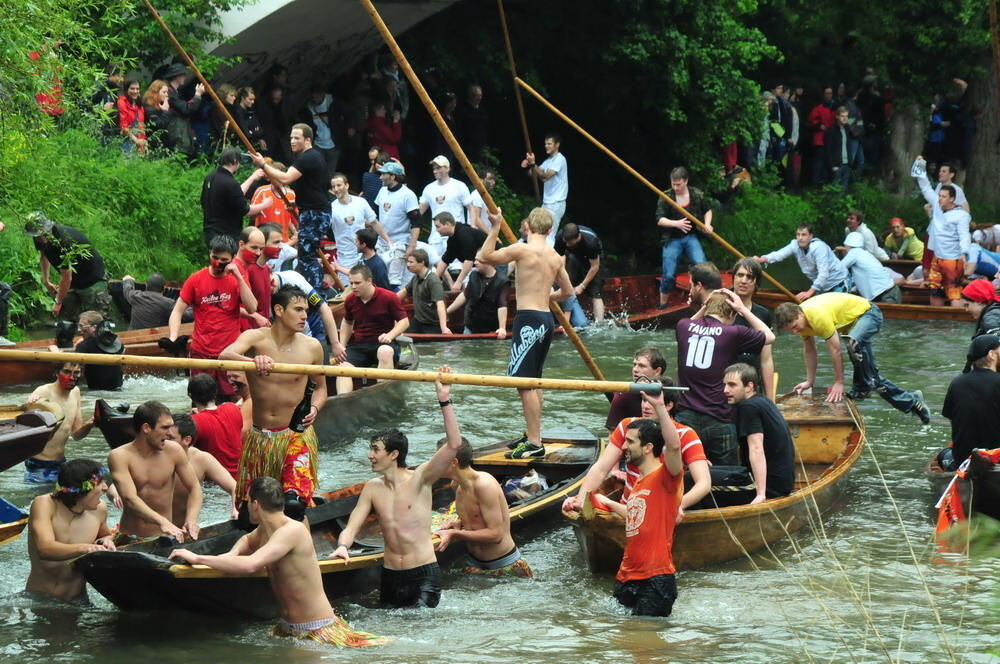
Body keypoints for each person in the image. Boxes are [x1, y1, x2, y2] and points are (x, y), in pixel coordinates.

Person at [169, 477, 387, 647]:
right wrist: (204, 561)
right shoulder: (262, 531)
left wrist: (197, 557)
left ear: (255, 505)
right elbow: (237, 552)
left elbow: (251, 565)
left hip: (316, 629)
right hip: (287, 629)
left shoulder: (292, 531)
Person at [330, 369, 465, 607]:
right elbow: (352, 526)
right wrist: (342, 546)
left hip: (423, 573)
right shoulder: (372, 488)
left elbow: (454, 444)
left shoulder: (421, 478)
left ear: (393, 454)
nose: (370, 456)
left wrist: (444, 399)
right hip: (391, 575)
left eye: (375, 450)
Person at [220, 286, 327, 517]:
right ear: (279, 310)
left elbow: (321, 389)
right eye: (298, 309)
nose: (304, 316)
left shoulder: (312, 347)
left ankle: (302, 549)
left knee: (295, 506)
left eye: (306, 311)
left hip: (295, 436)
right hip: (260, 438)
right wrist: (251, 360)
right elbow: (225, 355)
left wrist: (316, 408)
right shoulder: (255, 338)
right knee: (249, 513)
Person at [478, 207, 573, 459]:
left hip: (528, 320)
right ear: (551, 230)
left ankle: (534, 442)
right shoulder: (555, 257)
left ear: (527, 227)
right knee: (534, 380)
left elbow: (484, 256)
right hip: (545, 319)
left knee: (524, 383)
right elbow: (568, 292)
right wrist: (546, 296)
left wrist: (496, 225)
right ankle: (534, 435)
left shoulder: (522, 249)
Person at [564, 378, 710, 519]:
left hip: (660, 510)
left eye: (652, 402)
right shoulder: (628, 426)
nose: (645, 406)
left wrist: (677, 505)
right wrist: (581, 499)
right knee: (571, 503)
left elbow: (703, 483)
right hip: (627, 508)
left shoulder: (686, 435)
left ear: (669, 405)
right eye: (644, 400)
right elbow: (601, 468)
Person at [591, 397, 683, 617]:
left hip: (655, 577)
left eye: (630, 442)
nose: (623, 447)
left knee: (644, 645)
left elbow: (674, 445)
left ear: (648, 447)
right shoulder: (639, 482)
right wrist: (608, 503)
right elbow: (637, 516)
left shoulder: (666, 477)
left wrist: (660, 406)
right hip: (627, 575)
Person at [773, 294, 930, 422]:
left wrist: (839, 383)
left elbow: (835, 349)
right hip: (851, 327)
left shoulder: (816, 316)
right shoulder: (801, 326)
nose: (795, 332)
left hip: (868, 314)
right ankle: (912, 402)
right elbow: (809, 351)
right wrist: (809, 381)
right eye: (790, 330)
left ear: (800, 314)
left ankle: (860, 388)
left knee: (851, 342)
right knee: (872, 380)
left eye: (794, 326)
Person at [674, 289, 773, 465]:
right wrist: (743, 309)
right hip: (719, 417)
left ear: (706, 308)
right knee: (727, 476)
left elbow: (692, 321)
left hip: (686, 416)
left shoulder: (683, 326)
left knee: (686, 472)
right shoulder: (733, 333)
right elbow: (770, 336)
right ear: (731, 313)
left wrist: (705, 306)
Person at [168, 235, 258, 400]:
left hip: (229, 353)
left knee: (231, 400)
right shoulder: (196, 279)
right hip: (201, 352)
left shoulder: (238, 280)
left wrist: (238, 277)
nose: (217, 262)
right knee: (200, 402)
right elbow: (177, 310)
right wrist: (173, 336)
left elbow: (252, 308)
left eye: (223, 259)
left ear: (232, 259)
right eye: (214, 257)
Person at [252, 123, 331, 289]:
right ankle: (314, 290)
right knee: (305, 254)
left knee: (306, 256)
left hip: (315, 213)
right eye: (291, 138)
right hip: (311, 209)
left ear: (308, 140)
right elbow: (314, 185)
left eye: (297, 138)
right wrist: (297, 203)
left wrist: (263, 165)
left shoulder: (309, 157)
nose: (292, 141)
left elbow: (286, 179)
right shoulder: (307, 157)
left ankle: (315, 293)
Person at [108, 401, 201, 541]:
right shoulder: (119, 456)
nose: (169, 433)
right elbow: (130, 499)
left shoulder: (174, 451)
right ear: (146, 428)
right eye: (165, 427)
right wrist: (162, 521)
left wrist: (191, 520)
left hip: (164, 536)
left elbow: (194, 488)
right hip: (129, 537)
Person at [26, 459, 115, 602]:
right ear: (82, 488)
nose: (105, 488)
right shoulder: (44, 504)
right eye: (100, 483)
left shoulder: (100, 509)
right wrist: (86, 548)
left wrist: (106, 540)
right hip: (39, 599)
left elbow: (106, 536)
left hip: (78, 600)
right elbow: (45, 549)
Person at [722, 363, 795, 505]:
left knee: (693, 479)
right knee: (707, 472)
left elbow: (756, 448)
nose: (725, 390)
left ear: (749, 386)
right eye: (724, 385)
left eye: (732, 385)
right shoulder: (763, 400)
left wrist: (761, 493)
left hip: (770, 487)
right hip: (783, 481)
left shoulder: (748, 407)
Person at [336, 265, 409, 395]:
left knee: (385, 351)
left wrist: (390, 335)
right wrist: (341, 345)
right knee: (342, 367)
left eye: (357, 283)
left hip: (383, 343)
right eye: (351, 283)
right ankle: (343, 402)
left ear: (369, 281)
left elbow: (404, 321)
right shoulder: (350, 300)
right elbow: (347, 322)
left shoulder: (389, 297)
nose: (353, 287)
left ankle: (382, 396)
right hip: (360, 346)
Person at [24, 211, 110, 321]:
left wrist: (58, 302)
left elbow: (66, 278)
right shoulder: (39, 237)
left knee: (95, 321)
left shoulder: (64, 241)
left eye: (41, 235)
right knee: (67, 321)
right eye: (36, 236)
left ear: (46, 228)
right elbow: (43, 256)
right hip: (73, 282)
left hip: (92, 279)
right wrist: (46, 280)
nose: (39, 238)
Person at [913, 155, 971, 307]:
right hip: (937, 259)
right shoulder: (938, 207)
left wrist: (964, 253)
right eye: (939, 196)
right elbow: (925, 187)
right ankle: (935, 326)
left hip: (953, 260)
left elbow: (964, 235)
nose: (939, 199)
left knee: (953, 293)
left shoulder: (961, 216)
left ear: (952, 199)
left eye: (943, 197)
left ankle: (957, 325)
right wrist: (919, 165)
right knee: (935, 291)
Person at [24, 362, 94, 483]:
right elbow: (24, 423)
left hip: (60, 463)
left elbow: (76, 435)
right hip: (39, 465)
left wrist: (90, 424)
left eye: (76, 372)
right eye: (66, 372)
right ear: (57, 372)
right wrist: (30, 403)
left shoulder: (75, 392)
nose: (72, 377)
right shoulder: (43, 391)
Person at [655, 167, 714, 307]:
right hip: (672, 239)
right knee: (669, 274)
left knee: (702, 266)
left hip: (691, 237)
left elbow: (707, 210)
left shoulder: (696, 194)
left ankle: (705, 301)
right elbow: (659, 219)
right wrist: (676, 223)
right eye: (673, 184)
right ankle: (662, 305)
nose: (676, 188)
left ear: (686, 181)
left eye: (679, 184)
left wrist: (707, 225)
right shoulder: (666, 196)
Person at [939, 335, 1000, 470]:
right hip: (996, 460)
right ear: (991, 355)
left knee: (943, 455)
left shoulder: (956, 383)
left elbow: (953, 421)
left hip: (964, 460)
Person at [171, 414, 238, 525]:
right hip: (157, 529)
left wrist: (235, 509)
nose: (164, 442)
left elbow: (234, 487)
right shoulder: (155, 457)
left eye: (170, 438)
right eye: (164, 437)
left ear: (187, 440)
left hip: (187, 527)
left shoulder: (201, 459)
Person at [754, 224, 849, 302]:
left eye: (804, 235)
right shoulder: (794, 245)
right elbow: (779, 254)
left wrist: (809, 292)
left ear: (811, 236)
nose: (800, 238)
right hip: (822, 287)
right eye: (798, 235)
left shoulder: (819, 248)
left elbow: (823, 273)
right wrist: (762, 259)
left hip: (838, 282)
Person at [270, 269, 345, 357]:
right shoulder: (258, 290)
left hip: (312, 333)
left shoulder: (293, 279)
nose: (304, 316)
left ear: (273, 282)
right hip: (280, 340)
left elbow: (324, 308)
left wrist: (335, 343)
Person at [201, 149, 268, 247]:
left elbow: (236, 193)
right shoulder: (230, 183)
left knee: (215, 260)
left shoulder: (210, 177)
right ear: (235, 161)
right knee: (227, 260)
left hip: (210, 231)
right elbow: (245, 210)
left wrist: (253, 177)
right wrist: (265, 204)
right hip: (227, 234)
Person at [730, 258, 775, 399]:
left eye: (749, 277)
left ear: (756, 283)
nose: (744, 281)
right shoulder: (721, 309)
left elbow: (766, 359)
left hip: (752, 384)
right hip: (725, 384)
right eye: (740, 275)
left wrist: (770, 399)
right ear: (733, 279)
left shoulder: (763, 314)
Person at [372, 161, 421, 288]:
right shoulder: (382, 191)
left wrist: (412, 244)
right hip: (382, 242)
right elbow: (377, 216)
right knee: (377, 276)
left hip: (399, 242)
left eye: (383, 174)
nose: (380, 177)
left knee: (394, 279)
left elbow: (416, 222)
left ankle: (395, 304)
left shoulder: (407, 195)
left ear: (393, 176)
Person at [187, 373, 244, 478]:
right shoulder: (233, 408)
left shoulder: (193, 422)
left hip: (214, 482)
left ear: (190, 395)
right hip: (240, 477)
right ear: (216, 392)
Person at [420, 156, 472, 259]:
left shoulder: (459, 186)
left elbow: (472, 208)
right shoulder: (429, 188)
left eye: (438, 168)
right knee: (436, 270)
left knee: (458, 269)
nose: (435, 171)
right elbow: (419, 211)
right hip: (436, 238)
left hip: (456, 235)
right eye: (434, 168)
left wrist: (471, 227)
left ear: (447, 169)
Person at [522, 133, 568, 245]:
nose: (546, 146)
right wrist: (529, 164)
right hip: (547, 203)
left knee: (548, 234)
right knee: (536, 228)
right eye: (545, 144)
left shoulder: (560, 159)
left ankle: (548, 259)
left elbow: (545, 176)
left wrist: (534, 165)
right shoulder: (548, 161)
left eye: (549, 143)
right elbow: (533, 173)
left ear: (557, 145)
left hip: (556, 203)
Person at [446, 256, 510, 337]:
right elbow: (465, 295)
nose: (475, 263)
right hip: (471, 326)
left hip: (490, 329)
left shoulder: (502, 281)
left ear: (488, 261)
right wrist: (447, 312)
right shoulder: (474, 275)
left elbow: (502, 305)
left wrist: (502, 328)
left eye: (478, 260)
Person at [604, 347, 666, 429]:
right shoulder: (623, 396)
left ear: (657, 371)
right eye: (634, 365)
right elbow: (612, 434)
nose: (635, 370)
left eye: (641, 366)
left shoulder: (669, 394)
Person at [555, 223, 605, 323]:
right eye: (566, 243)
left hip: (592, 260)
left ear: (578, 236)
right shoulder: (560, 237)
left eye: (571, 243)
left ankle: (599, 324)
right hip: (573, 257)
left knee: (595, 292)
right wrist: (563, 276)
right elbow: (560, 256)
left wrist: (582, 286)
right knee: (565, 282)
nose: (568, 245)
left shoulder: (591, 242)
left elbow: (594, 266)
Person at [328, 172, 376, 272]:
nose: (336, 189)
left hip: (363, 254)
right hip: (345, 257)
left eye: (339, 185)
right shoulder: (331, 208)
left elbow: (374, 222)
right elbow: (321, 227)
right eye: (333, 187)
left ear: (347, 185)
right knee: (348, 287)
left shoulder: (360, 201)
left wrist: (388, 241)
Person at [398, 249, 451, 335]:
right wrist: (386, 301)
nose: (408, 265)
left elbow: (440, 304)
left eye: (411, 262)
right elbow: (403, 293)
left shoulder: (433, 280)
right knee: (405, 339)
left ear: (422, 263)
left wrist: (444, 327)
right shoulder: (415, 278)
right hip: (418, 320)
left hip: (432, 324)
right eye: (408, 262)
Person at [840, 232, 902, 303]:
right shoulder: (864, 254)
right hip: (889, 292)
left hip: (885, 294)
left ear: (846, 244)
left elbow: (838, 268)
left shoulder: (854, 252)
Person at [433, 212, 487, 292]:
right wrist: (432, 280)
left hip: (497, 264)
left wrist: (458, 282)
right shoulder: (452, 239)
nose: (437, 230)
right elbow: (445, 260)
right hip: (482, 266)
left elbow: (469, 260)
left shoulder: (464, 234)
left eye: (438, 227)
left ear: (447, 224)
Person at [72, 310, 124, 390]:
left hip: (96, 392)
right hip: (119, 389)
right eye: (78, 326)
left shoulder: (85, 346)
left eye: (82, 326)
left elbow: (70, 366)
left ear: (95, 327)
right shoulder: (115, 343)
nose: (79, 330)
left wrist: (56, 352)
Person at [233, 226, 272, 330]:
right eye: (254, 248)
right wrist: (255, 316)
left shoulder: (246, 268)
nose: (258, 253)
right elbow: (225, 304)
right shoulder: (233, 270)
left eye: (261, 249)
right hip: (234, 331)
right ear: (241, 244)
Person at [250, 163, 298, 243]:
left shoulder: (291, 194)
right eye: (272, 175)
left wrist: (296, 233)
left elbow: (295, 219)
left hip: (283, 242)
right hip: (263, 241)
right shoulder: (262, 191)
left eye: (278, 175)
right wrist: (260, 208)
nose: (275, 178)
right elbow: (251, 214)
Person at [467, 165, 497, 232]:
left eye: (494, 179)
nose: (493, 182)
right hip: (477, 236)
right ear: (480, 180)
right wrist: (489, 234)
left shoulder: (487, 196)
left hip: (484, 235)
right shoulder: (476, 195)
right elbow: (476, 219)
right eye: (490, 179)